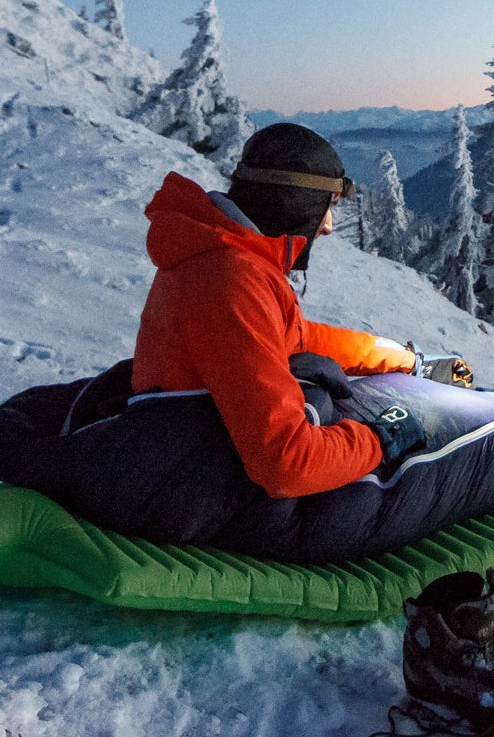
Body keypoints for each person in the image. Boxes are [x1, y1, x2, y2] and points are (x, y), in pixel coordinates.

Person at [133, 122, 469, 497]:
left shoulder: (230, 262)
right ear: (295, 204)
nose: (327, 227)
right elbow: (286, 464)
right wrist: (380, 439)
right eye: (327, 207)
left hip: (195, 463)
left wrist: (406, 361)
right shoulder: (230, 279)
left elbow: (300, 338)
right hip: (197, 488)